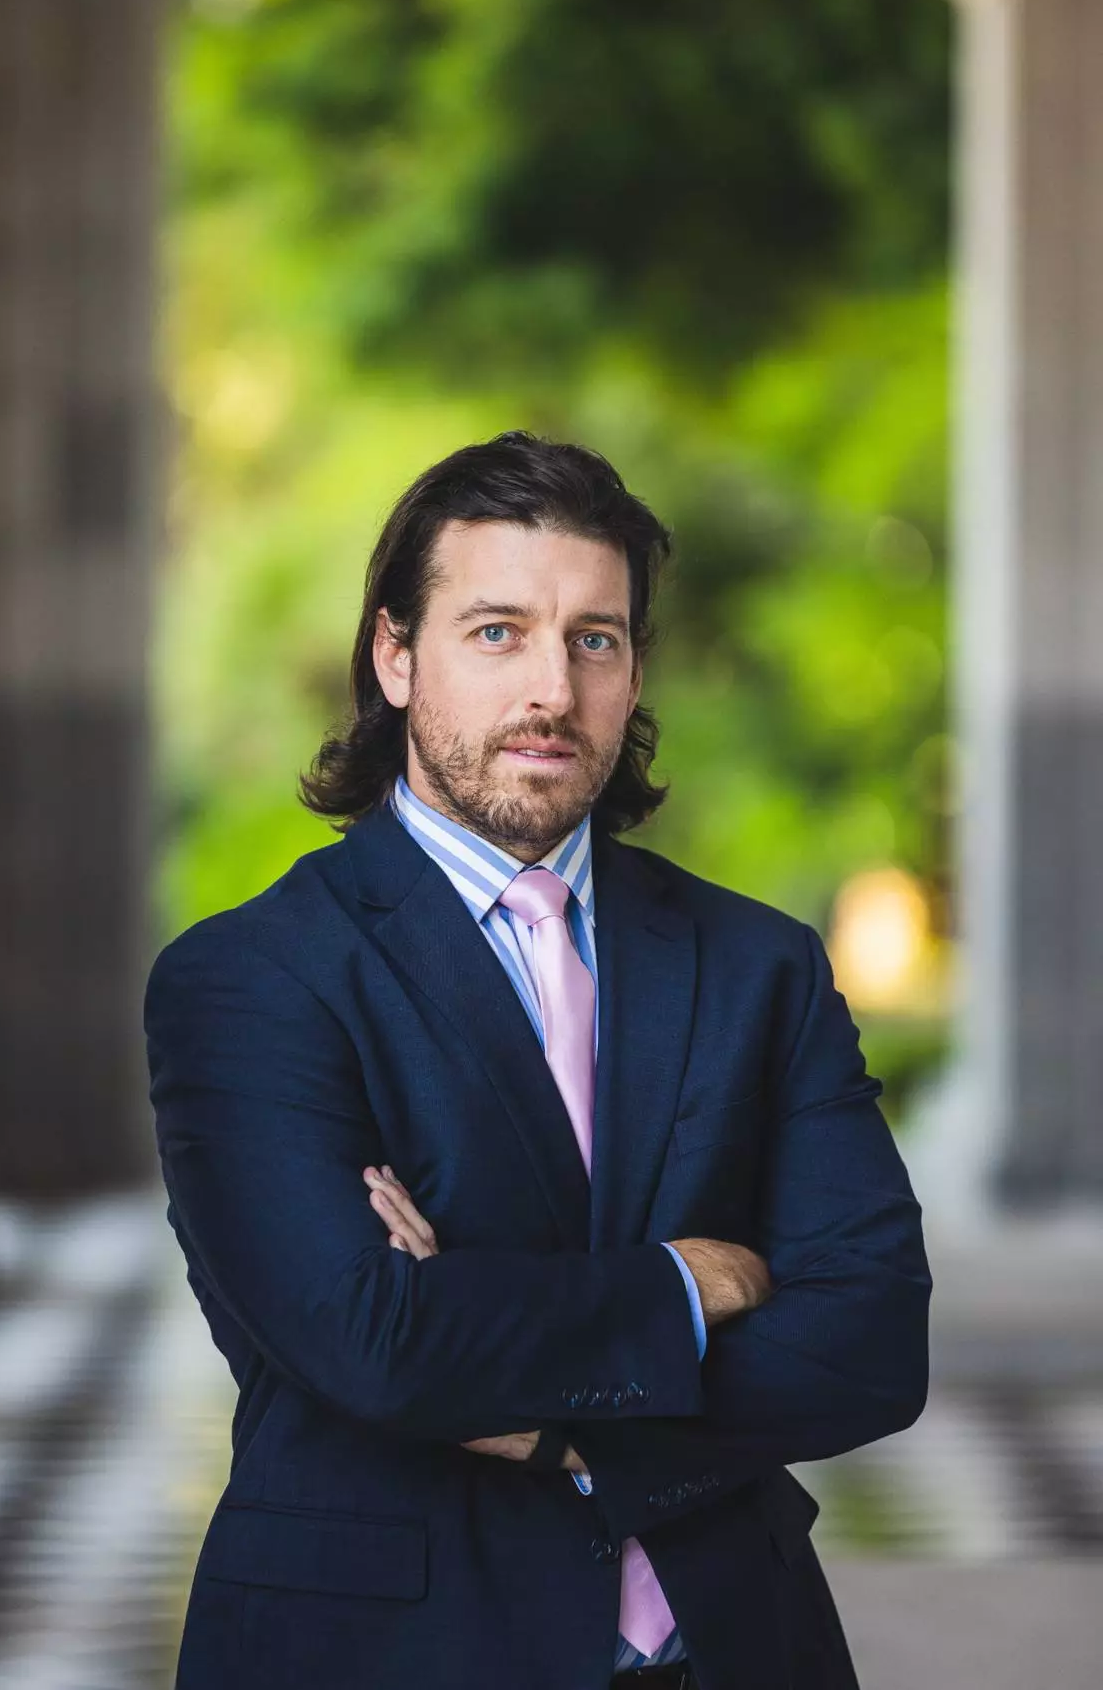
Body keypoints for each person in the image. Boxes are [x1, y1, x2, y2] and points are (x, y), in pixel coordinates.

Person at [145, 431, 930, 1690]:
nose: (552, 690)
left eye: (594, 639)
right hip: (389, 1656)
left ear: (634, 669)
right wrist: (691, 1279)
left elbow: (873, 1340)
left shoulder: (758, 964)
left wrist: (549, 1414)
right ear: (396, 654)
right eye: (497, 632)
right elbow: (374, 1337)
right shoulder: (253, 977)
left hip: (730, 1650)